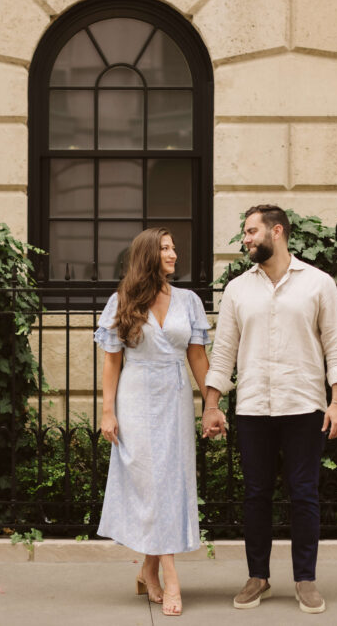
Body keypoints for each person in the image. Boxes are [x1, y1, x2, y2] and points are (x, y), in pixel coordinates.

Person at [200, 205, 337, 615]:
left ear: (277, 231)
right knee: (255, 495)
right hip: (252, 408)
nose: (246, 239)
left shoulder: (318, 284)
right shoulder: (237, 290)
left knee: (304, 496)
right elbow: (224, 352)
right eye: (245, 232)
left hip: (303, 405)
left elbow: (336, 346)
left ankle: (306, 580)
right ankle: (258, 576)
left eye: (251, 231)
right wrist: (211, 404)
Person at [95, 227, 212, 617]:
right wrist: (107, 410)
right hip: (136, 398)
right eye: (165, 248)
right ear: (147, 254)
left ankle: (148, 569)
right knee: (151, 482)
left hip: (175, 399)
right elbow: (112, 359)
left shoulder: (189, 300)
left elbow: (197, 357)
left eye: (174, 247)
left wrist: (211, 404)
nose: (173, 253)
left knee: (169, 481)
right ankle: (171, 575)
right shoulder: (121, 300)